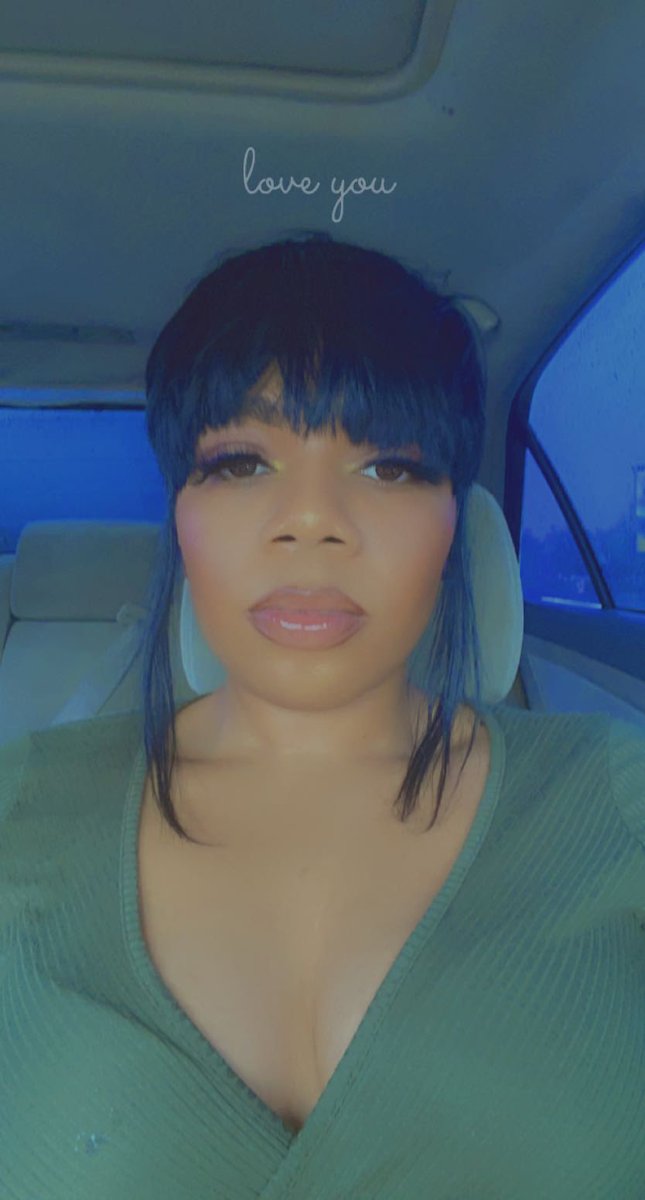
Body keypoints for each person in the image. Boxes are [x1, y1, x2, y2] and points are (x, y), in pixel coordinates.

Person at [1, 232, 644, 1199]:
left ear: (454, 520)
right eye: (239, 462)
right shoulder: (19, 807)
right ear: (178, 508)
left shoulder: (615, 798)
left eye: (388, 466)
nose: (311, 519)